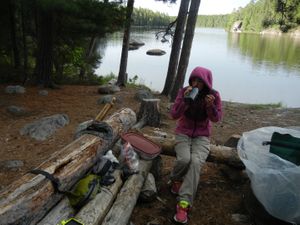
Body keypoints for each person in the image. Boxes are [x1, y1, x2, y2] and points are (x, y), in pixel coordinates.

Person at [169, 66, 222, 224]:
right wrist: (185, 101)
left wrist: (210, 106)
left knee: (196, 162)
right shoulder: (185, 91)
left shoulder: (214, 95)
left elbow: (216, 119)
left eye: (200, 81)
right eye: (194, 80)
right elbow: (173, 115)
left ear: (206, 83)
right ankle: (176, 179)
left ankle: (184, 203)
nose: (196, 83)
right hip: (183, 132)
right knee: (184, 159)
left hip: (202, 135)